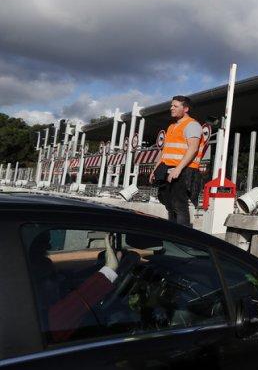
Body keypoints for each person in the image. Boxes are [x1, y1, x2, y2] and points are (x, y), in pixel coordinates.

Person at [28, 232, 139, 343]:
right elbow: (74, 306)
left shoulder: (43, 305)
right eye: (51, 277)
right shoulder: (45, 321)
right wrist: (109, 270)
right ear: (34, 283)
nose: (57, 280)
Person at [150, 95, 204, 227]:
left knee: (179, 205)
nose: (171, 108)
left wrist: (178, 169)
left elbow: (193, 149)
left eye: (175, 106)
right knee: (169, 203)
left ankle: (181, 239)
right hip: (167, 168)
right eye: (171, 105)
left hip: (184, 170)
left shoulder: (192, 125)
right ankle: (172, 233)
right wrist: (155, 169)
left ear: (185, 108)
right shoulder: (172, 127)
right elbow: (165, 151)